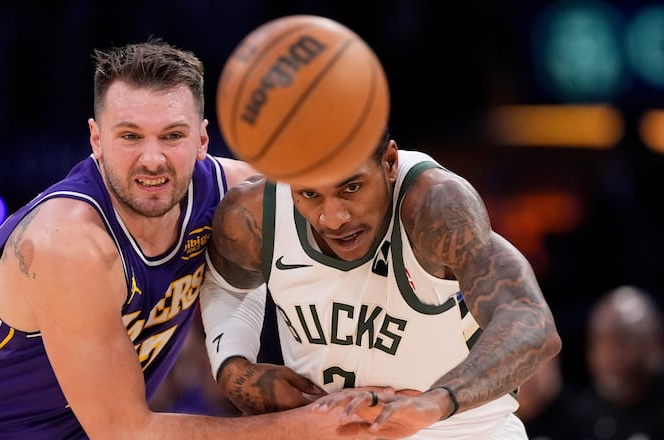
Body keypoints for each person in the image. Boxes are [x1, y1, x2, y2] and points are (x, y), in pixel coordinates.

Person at [0, 39, 377, 440]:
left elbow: (358, 184)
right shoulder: (68, 245)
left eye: (172, 136)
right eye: (131, 136)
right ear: (96, 140)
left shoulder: (232, 195)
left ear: (202, 140)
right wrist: (306, 428)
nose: (153, 158)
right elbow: (126, 431)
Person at [199, 130, 562, 439]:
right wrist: (232, 367)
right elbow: (228, 284)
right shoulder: (253, 211)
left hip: (461, 429)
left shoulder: (435, 204)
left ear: (389, 163)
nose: (334, 217)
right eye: (310, 194)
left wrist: (434, 402)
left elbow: (532, 324)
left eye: (351, 187)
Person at [579, 285, 664, 439]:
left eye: (625, 339)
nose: (611, 352)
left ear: (657, 341)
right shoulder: (578, 419)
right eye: (601, 340)